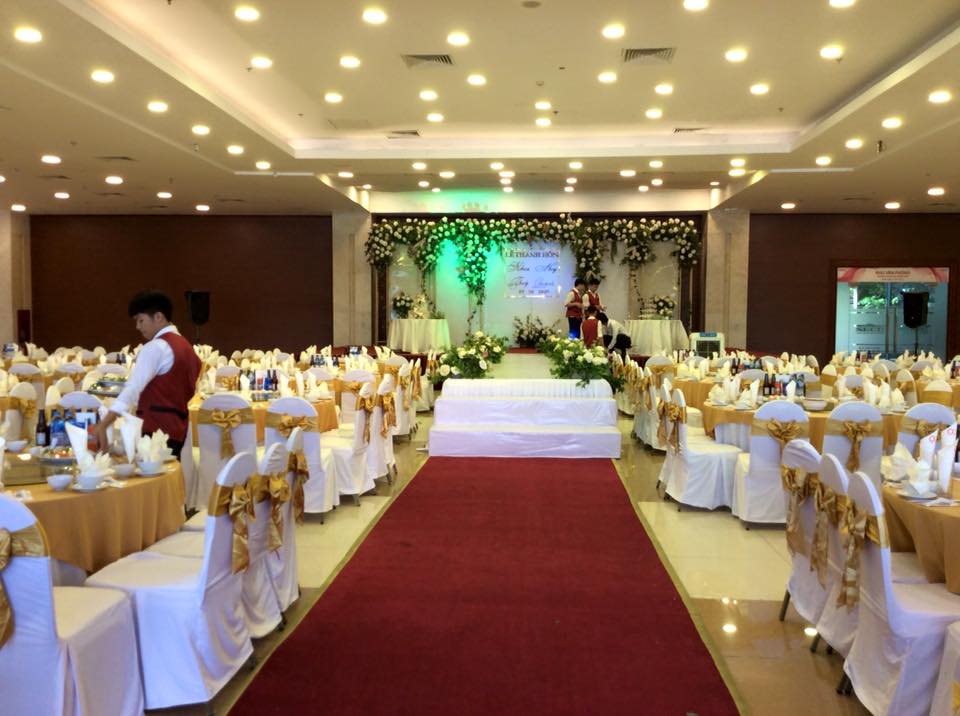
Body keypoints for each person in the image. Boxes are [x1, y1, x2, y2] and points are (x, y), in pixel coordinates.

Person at [94, 290, 201, 459]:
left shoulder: (156, 347)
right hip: (178, 429)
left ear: (158, 317)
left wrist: (104, 423)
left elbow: (132, 388)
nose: (138, 326)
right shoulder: (186, 346)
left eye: (141, 320)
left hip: (155, 429)